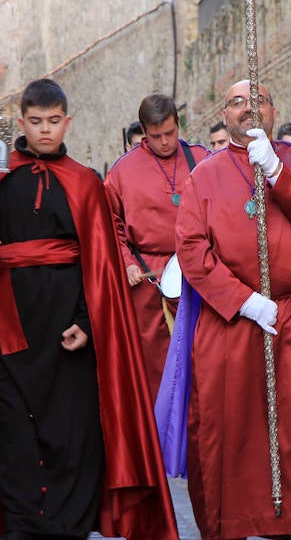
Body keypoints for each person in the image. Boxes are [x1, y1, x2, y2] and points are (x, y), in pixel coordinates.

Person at [0, 78, 178, 540]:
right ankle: (24, 524)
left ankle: (68, 525)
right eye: (35, 122)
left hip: (68, 329)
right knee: (12, 432)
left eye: (53, 121)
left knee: (74, 433)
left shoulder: (85, 182)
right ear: (22, 122)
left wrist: (87, 323)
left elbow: (103, 268)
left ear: (66, 121)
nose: (45, 130)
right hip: (6, 326)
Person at [169, 79, 291, 540]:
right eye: (237, 102)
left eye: (257, 100)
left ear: (272, 109)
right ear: (223, 115)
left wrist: (278, 174)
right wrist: (243, 300)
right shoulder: (203, 175)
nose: (247, 109)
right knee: (232, 434)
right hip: (232, 322)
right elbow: (191, 249)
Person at [104, 94, 209, 397]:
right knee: (158, 374)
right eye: (156, 136)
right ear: (144, 132)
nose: (165, 142)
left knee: (203, 366)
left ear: (179, 123)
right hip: (149, 285)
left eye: (170, 133)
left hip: (198, 275)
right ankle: (161, 441)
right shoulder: (122, 171)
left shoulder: (201, 159)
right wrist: (127, 261)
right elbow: (110, 222)